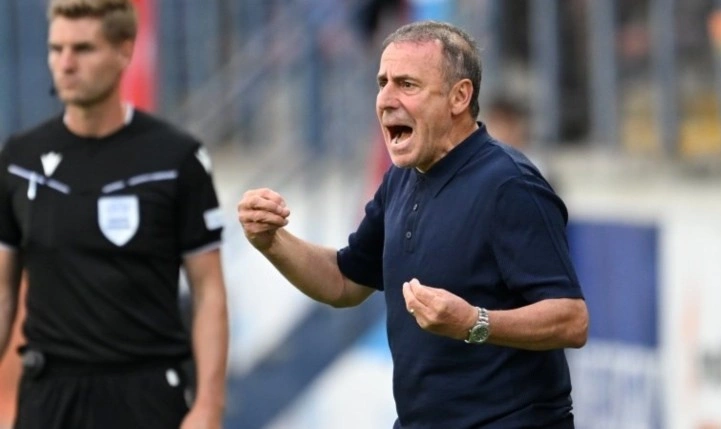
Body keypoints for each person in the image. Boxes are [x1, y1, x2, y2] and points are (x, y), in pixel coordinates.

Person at [238, 19, 588, 428]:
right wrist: (272, 242)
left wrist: (474, 323)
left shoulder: (509, 184)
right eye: (382, 82)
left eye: (407, 85)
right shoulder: (401, 178)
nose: (386, 99)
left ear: (459, 97)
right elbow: (344, 281)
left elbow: (571, 319)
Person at [0, 1, 228, 428]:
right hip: (49, 398)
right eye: (56, 49)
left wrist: (209, 406)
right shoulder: (19, 159)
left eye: (83, 49)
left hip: (146, 396)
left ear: (124, 51)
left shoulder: (177, 158)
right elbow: (3, 290)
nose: (66, 63)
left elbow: (208, 291)